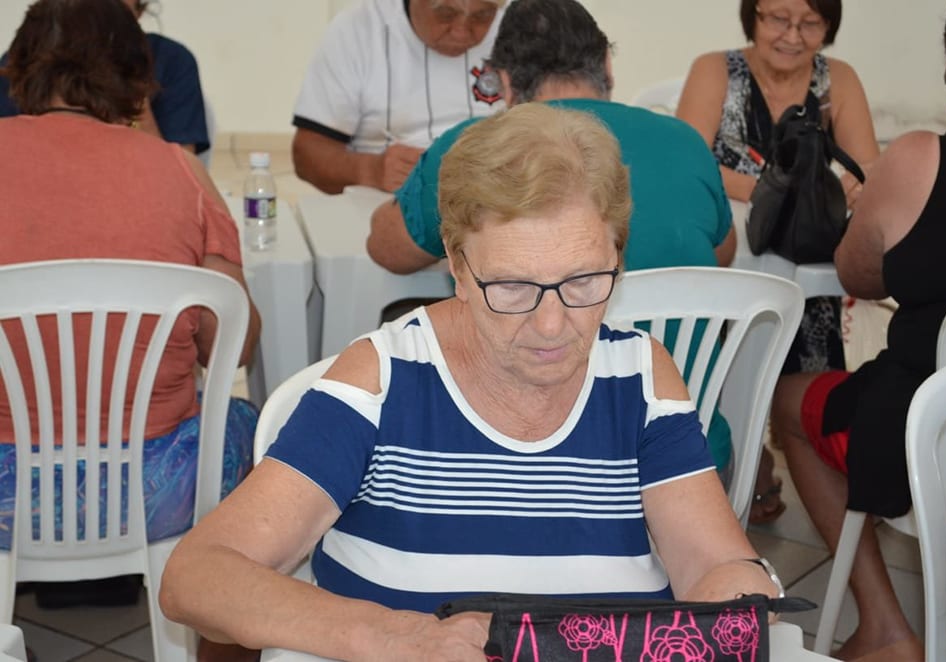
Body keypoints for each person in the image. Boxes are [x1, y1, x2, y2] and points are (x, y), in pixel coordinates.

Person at [160, 102, 782, 661]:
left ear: (618, 255)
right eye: (511, 286)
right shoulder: (385, 381)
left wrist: (740, 593)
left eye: (584, 281)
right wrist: (398, 637)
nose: (551, 324)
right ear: (457, 267)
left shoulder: (640, 377)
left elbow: (716, 564)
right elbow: (197, 576)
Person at [367, 0, 737, 477]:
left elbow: (389, 249)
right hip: (692, 454)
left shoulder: (475, 148)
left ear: (503, 83)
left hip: (533, 467)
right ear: (607, 65)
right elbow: (722, 253)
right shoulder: (684, 141)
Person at [0, 0, 259, 655]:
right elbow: (235, 345)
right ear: (137, 78)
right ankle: (220, 640)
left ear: (19, 68)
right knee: (252, 425)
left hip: (6, 493)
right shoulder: (180, 172)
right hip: (157, 491)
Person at [770, 0, 946, 657]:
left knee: (789, 403)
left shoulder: (923, 157)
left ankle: (884, 625)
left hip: (935, 442)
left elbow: (858, 275)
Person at [676, 0, 880, 525]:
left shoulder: (837, 80)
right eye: (778, 19)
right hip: (729, 253)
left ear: (828, 26)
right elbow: (688, 159)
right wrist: (781, 191)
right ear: (754, 16)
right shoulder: (715, 70)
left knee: (809, 335)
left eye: (810, 23)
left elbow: (867, 167)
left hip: (803, 249)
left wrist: (844, 187)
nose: (793, 35)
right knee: (722, 360)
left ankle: (802, 448)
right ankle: (741, 459)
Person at [291, 0, 507, 194]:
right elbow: (307, 154)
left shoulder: (516, 24)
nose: (461, 32)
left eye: (482, 16)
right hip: (383, 200)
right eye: (445, 14)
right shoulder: (358, 30)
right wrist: (370, 170)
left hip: (495, 201)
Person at [0, 0, 211, 155]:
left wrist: (134, 96)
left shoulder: (170, 60)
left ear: (138, 13)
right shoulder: (24, 60)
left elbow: (184, 175)